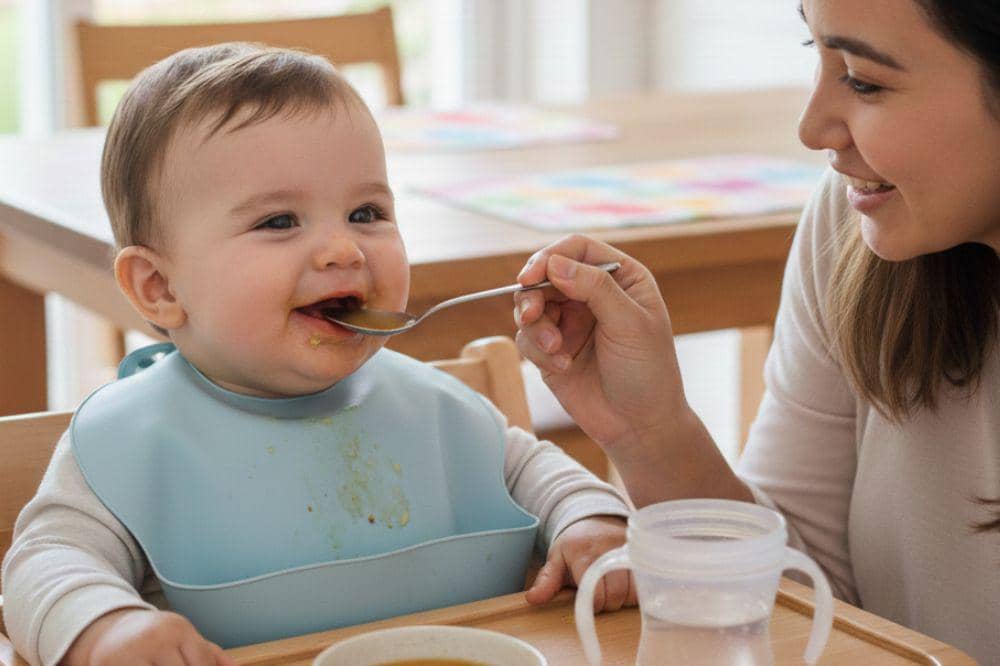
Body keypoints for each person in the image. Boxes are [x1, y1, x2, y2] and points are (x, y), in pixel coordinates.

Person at [1, 44, 635, 666]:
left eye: (366, 212)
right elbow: (43, 563)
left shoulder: (434, 409)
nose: (343, 250)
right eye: (279, 222)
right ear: (160, 288)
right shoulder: (130, 444)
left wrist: (590, 523)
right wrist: (106, 627)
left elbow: (542, 476)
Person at [513, 1, 999, 663]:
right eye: (816, 54)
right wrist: (649, 430)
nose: (812, 128)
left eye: (862, 79)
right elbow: (807, 591)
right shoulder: (855, 230)